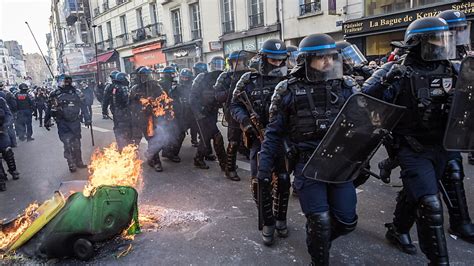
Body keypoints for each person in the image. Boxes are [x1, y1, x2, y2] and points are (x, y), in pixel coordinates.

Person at [257, 34, 358, 264]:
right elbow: (273, 133)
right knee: (320, 220)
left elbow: (361, 123)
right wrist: (264, 168)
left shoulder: (345, 86)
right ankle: (318, 256)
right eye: (321, 57)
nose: (328, 62)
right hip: (307, 164)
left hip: (339, 162)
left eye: (331, 57)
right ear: (306, 60)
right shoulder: (288, 90)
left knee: (346, 221)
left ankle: (319, 239)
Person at [364, 17, 456, 264]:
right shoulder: (396, 71)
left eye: (444, 39)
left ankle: (397, 228)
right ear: (418, 43)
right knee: (430, 203)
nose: (442, 44)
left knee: (416, 191)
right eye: (437, 39)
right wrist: (386, 80)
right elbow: (364, 102)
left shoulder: (451, 69)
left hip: (442, 145)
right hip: (411, 147)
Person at [231, 39, 291, 244]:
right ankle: (268, 221)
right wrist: (246, 123)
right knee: (260, 181)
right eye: (273, 60)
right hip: (258, 137)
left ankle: (281, 218)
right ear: (264, 59)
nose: (277, 64)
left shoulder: (291, 79)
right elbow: (235, 105)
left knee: (283, 179)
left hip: (283, 138)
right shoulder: (249, 80)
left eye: (280, 60)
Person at [214, 51, 252, 181]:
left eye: (240, 62)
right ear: (231, 63)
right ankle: (229, 169)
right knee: (234, 141)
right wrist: (229, 90)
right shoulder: (225, 77)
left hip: (251, 111)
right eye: (236, 62)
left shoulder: (251, 74)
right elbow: (217, 96)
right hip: (233, 111)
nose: (238, 64)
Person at [44, 74, 91, 172]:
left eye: (68, 81)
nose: (66, 83)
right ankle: (71, 163)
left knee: (77, 143)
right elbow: (49, 108)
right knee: (67, 143)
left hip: (75, 121)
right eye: (65, 81)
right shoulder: (54, 94)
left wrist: (87, 118)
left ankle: (79, 161)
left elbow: (84, 107)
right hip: (62, 122)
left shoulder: (77, 92)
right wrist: (46, 120)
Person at [129, 67, 170, 172]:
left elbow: (163, 99)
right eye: (143, 76)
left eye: (147, 75)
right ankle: (156, 161)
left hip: (155, 117)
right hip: (142, 118)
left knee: (160, 138)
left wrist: (162, 109)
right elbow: (130, 104)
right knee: (151, 139)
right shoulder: (135, 89)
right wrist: (140, 107)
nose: (145, 78)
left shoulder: (156, 86)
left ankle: (150, 155)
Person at [190, 57, 227, 170]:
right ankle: (224, 164)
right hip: (203, 112)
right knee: (217, 137)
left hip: (213, 112)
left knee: (205, 137)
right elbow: (192, 97)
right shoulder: (202, 77)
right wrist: (197, 113)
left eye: (219, 64)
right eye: (215, 64)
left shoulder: (223, 77)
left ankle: (199, 158)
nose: (217, 66)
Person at [164, 68, 195, 161]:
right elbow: (169, 101)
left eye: (187, 78)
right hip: (177, 115)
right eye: (183, 77)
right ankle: (170, 153)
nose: (185, 79)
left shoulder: (193, 87)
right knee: (177, 134)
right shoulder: (176, 89)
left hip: (188, 114)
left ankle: (168, 152)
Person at [102, 72, 132, 151]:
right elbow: (128, 101)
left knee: (118, 129)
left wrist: (104, 110)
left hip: (115, 111)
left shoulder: (110, 87)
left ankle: (121, 146)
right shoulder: (123, 87)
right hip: (124, 113)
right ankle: (127, 147)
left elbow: (105, 100)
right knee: (127, 129)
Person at [0, 81, 17, 147]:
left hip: (6, 113)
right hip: (8, 113)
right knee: (10, 128)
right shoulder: (6, 93)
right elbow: (13, 103)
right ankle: (12, 143)